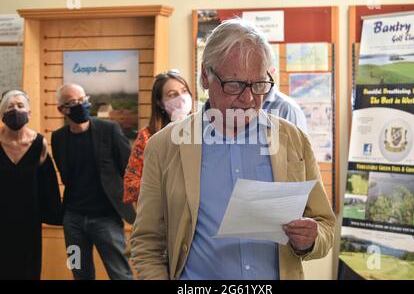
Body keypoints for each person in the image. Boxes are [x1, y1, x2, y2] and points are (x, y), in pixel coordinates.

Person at [130, 19, 335, 280]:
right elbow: (147, 242)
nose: (248, 98)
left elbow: (325, 224)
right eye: (235, 85)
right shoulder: (164, 146)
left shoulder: (293, 141)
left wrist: (310, 239)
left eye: (259, 85)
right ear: (206, 76)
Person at [51, 83, 136, 280]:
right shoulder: (58, 138)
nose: (80, 105)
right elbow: (65, 174)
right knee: (79, 272)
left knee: (120, 273)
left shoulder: (109, 130)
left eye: (83, 100)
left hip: (106, 219)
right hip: (72, 222)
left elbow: (129, 168)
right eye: (73, 102)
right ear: (62, 109)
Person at [0, 90, 62, 280]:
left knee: (28, 270)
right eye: (10, 107)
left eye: (20, 106)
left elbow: (48, 185)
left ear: (29, 112)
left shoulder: (39, 144)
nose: (15, 110)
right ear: (2, 113)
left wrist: (58, 215)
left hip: (29, 221)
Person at [123, 70, 192, 205]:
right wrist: (166, 188)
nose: (181, 97)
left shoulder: (204, 130)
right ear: (160, 103)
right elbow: (131, 184)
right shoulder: (148, 136)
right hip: (163, 214)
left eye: (184, 91)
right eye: (172, 95)